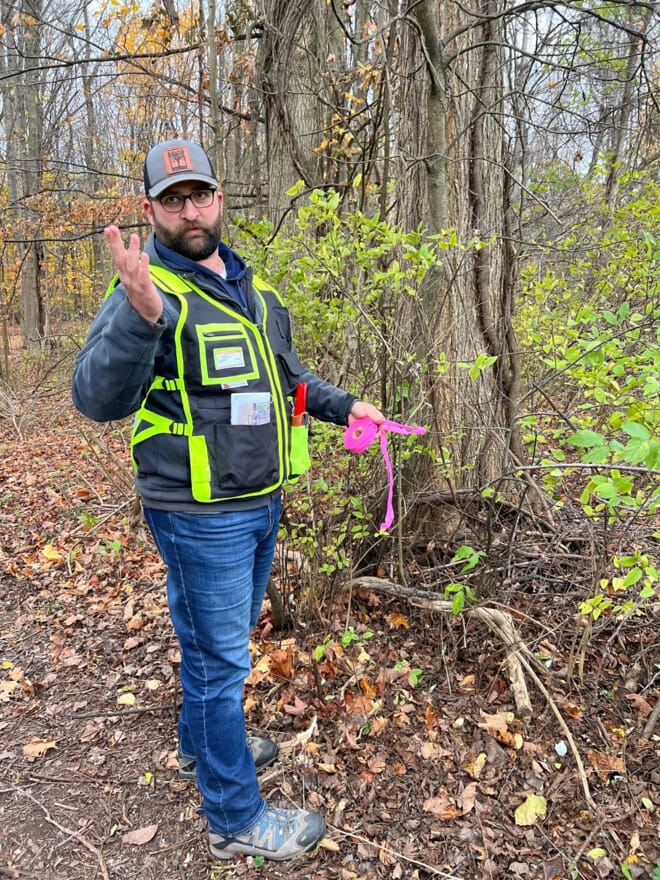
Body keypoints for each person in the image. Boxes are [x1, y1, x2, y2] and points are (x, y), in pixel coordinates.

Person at [72, 139, 384, 862]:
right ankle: (235, 820)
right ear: (150, 209)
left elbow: (289, 382)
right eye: (173, 199)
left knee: (221, 644)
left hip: (260, 501)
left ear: (219, 198)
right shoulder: (148, 290)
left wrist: (347, 408)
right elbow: (96, 399)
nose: (190, 210)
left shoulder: (254, 291)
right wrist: (138, 311)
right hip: (197, 512)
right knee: (220, 663)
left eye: (200, 194)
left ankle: (199, 749)